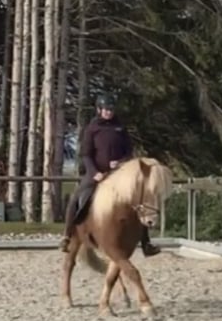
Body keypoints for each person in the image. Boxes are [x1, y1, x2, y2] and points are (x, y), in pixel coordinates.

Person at [59, 93, 160, 256]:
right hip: (96, 173)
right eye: (106, 109)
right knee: (76, 198)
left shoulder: (120, 127)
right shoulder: (92, 128)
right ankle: (67, 235)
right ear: (99, 110)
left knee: (139, 202)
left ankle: (146, 243)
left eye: (111, 109)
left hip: (118, 173)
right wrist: (94, 172)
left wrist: (120, 162)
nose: (109, 112)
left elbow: (128, 151)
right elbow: (86, 154)